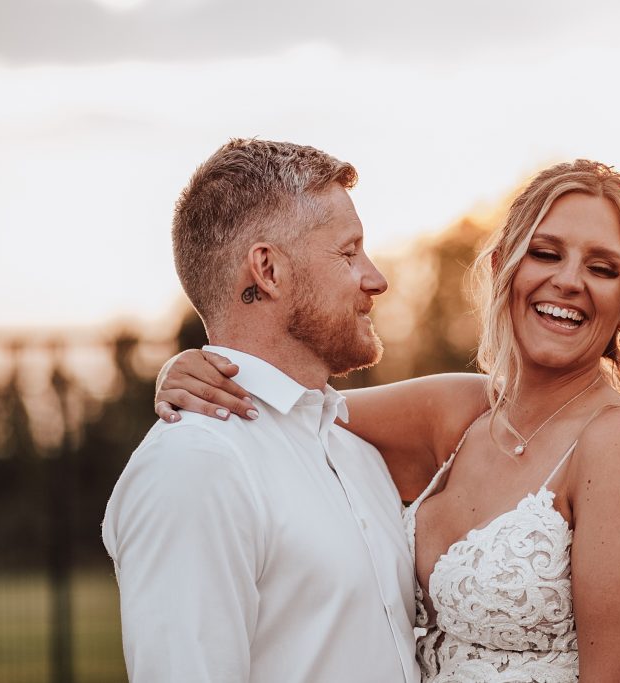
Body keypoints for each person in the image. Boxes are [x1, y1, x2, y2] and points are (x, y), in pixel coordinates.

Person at [158, 160, 620, 681]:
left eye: (602, 268)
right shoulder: (459, 413)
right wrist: (190, 371)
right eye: (546, 253)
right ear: (503, 268)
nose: (569, 281)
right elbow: (292, 411)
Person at [101, 138, 419, 682]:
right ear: (268, 270)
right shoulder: (194, 465)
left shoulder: (354, 447)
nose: (376, 279)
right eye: (348, 253)